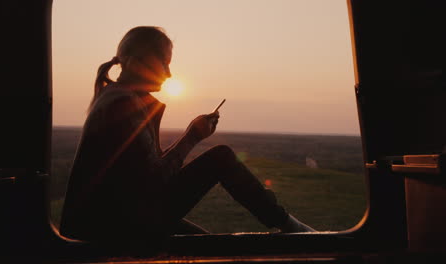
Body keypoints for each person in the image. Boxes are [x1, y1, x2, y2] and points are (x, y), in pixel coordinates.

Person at [60, 26, 314, 247]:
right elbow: (156, 180)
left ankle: (289, 226)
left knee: (206, 245)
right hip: (111, 228)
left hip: (112, 219)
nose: (169, 73)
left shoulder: (118, 98)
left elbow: (146, 174)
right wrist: (192, 137)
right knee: (221, 158)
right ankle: (292, 228)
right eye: (164, 62)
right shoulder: (122, 104)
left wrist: (192, 135)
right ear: (137, 62)